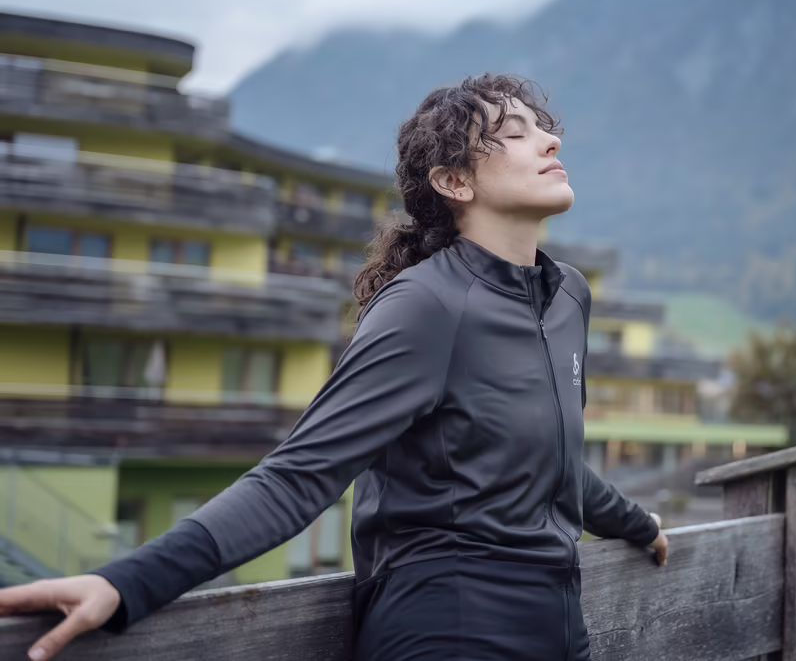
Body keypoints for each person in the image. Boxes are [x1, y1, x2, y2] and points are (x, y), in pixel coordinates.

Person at [0, 74, 668, 661]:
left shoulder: (567, 295)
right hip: (452, 629)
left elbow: (546, 455)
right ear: (455, 181)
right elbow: (299, 475)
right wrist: (127, 583)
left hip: (560, 629)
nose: (550, 142)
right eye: (515, 133)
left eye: (544, 128)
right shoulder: (426, 307)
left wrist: (637, 524)